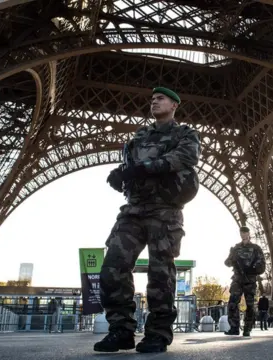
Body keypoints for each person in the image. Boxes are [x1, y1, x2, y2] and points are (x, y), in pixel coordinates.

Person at [94, 87, 200, 354]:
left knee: (160, 272)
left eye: (160, 98)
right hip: (134, 209)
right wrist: (120, 174)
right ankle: (121, 329)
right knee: (112, 267)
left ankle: (158, 333)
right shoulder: (139, 137)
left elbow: (186, 157)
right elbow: (131, 165)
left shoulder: (185, 134)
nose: (154, 101)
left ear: (175, 104)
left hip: (165, 210)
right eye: (152, 99)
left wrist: (144, 168)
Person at [223, 226, 266, 337]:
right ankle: (234, 327)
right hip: (237, 279)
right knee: (232, 303)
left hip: (250, 280)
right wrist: (231, 259)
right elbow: (227, 263)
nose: (243, 234)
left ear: (249, 233)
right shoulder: (236, 248)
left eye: (245, 232)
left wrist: (252, 269)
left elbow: (262, 266)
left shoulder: (256, 249)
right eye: (241, 232)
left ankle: (247, 328)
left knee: (250, 305)